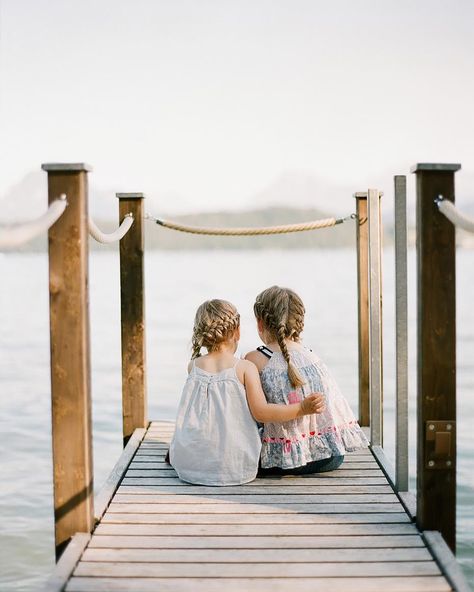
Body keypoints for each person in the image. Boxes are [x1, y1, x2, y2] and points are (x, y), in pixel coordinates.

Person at [169, 299, 325, 486]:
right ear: (237, 331)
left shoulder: (193, 366)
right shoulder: (244, 368)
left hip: (187, 465)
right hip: (234, 468)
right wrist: (301, 408)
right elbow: (262, 412)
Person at [245, 285, 368, 475]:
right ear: (299, 323)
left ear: (260, 323)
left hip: (279, 459)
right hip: (329, 457)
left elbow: (255, 413)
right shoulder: (312, 357)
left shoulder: (256, 359)